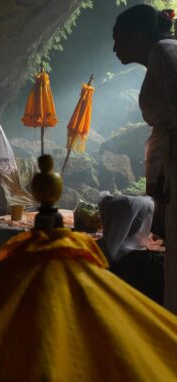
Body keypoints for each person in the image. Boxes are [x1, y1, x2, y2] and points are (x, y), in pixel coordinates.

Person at [113, 4, 177, 313]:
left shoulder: (165, 53)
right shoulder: (162, 56)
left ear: (138, 35)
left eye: (118, 38)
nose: (114, 48)